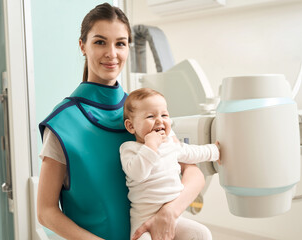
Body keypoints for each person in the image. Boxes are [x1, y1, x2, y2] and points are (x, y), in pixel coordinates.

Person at [37, 3, 206, 240]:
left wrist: (170, 212)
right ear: (82, 46)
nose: (112, 53)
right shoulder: (63, 123)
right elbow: (46, 212)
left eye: (120, 43)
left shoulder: (144, 112)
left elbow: (194, 174)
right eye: (100, 42)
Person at [120, 88, 220, 240]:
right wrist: (150, 146)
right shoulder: (129, 149)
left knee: (202, 234)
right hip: (143, 221)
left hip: (174, 217)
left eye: (164, 115)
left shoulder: (170, 144)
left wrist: (215, 151)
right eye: (150, 116)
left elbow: (191, 153)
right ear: (131, 126)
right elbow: (137, 174)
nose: (160, 120)